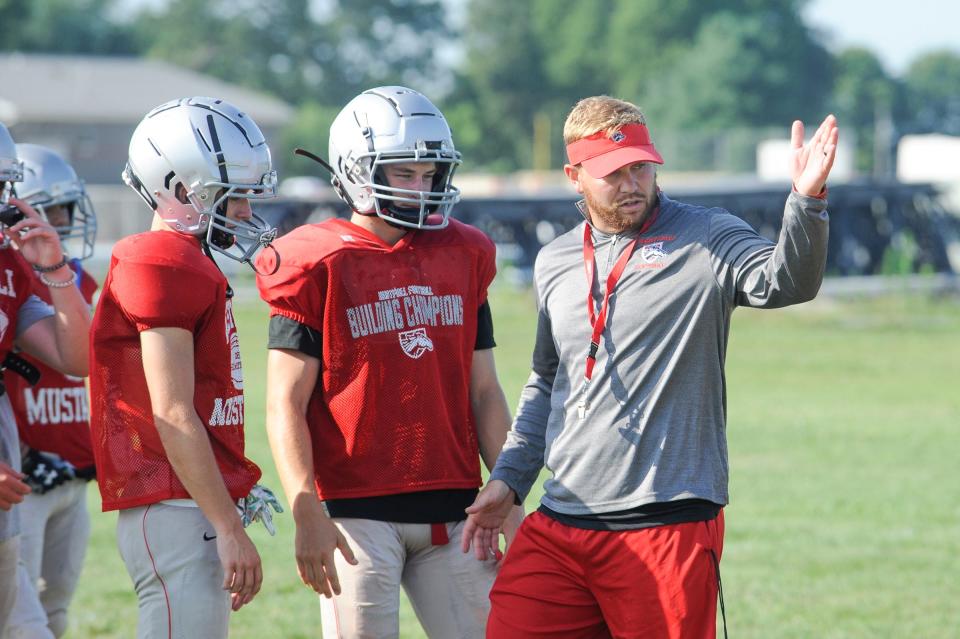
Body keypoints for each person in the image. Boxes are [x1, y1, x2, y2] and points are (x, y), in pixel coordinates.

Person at [463, 96, 837, 638]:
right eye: (613, 173)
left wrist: (807, 200)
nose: (632, 182)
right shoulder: (555, 260)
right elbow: (548, 380)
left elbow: (787, 281)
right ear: (574, 175)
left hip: (667, 525)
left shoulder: (708, 234)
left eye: (641, 165)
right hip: (561, 522)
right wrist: (510, 478)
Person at [256, 85, 521, 639]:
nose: (422, 187)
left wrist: (508, 489)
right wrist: (306, 508)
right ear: (356, 169)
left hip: (458, 508)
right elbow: (285, 401)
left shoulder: (466, 252)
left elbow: (485, 393)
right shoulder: (313, 261)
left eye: (430, 174)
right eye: (404, 173)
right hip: (357, 511)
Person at [88, 97, 281, 639]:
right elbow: (172, 412)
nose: (245, 213)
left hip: (186, 498)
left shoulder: (187, 261)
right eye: (233, 198)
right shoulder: (161, 260)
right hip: (174, 503)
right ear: (179, 190)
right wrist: (226, 526)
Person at [2, 144, 99, 639]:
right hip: (21, 468)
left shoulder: (15, 271)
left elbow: (79, 361)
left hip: (42, 473)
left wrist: (55, 270)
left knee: (43, 609)